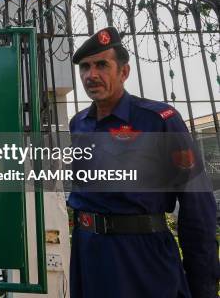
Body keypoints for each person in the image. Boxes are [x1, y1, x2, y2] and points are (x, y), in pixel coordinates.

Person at [67, 26, 218, 297]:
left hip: (142, 258)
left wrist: (202, 284)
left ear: (124, 72)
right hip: (89, 256)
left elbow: (197, 205)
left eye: (102, 65)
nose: (92, 75)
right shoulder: (79, 124)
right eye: (85, 67)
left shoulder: (159, 120)